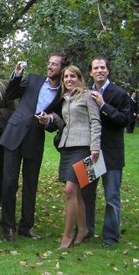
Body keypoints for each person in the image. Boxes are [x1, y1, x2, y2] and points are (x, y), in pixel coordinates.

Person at [0, 51, 64, 241]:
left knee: (30, 185)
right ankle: (8, 226)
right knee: (9, 182)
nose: (50, 66)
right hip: (14, 133)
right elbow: (10, 94)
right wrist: (16, 75)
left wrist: (48, 122)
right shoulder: (33, 79)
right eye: (49, 63)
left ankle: (26, 227)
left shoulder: (62, 93)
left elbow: (57, 121)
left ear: (62, 68)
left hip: (35, 138)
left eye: (54, 64)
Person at [46, 65, 101, 249]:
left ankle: (67, 235)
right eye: (66, 77)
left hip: (84, 147)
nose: (68, 80)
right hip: (66, 148)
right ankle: (83, 229)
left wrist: (95, 147)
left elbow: (95, 121)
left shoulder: (88, 95)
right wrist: (52, 119)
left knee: (70, 190)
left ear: (79, 78)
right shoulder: (65, 99)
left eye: (72, 76)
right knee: (75, 192)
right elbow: (66, 124)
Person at [83, 57, 132, 247]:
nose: (99, 70)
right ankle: (86, 232)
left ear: (108, 71)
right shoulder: (87, 93)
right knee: (88, 196)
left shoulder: (119, 94)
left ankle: (111, 237)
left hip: (112, 154)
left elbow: (125, 120)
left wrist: (104, 105)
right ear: (90, 72)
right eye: (96, 68)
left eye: (103, 67)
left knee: (112, 197)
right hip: (92, 153)